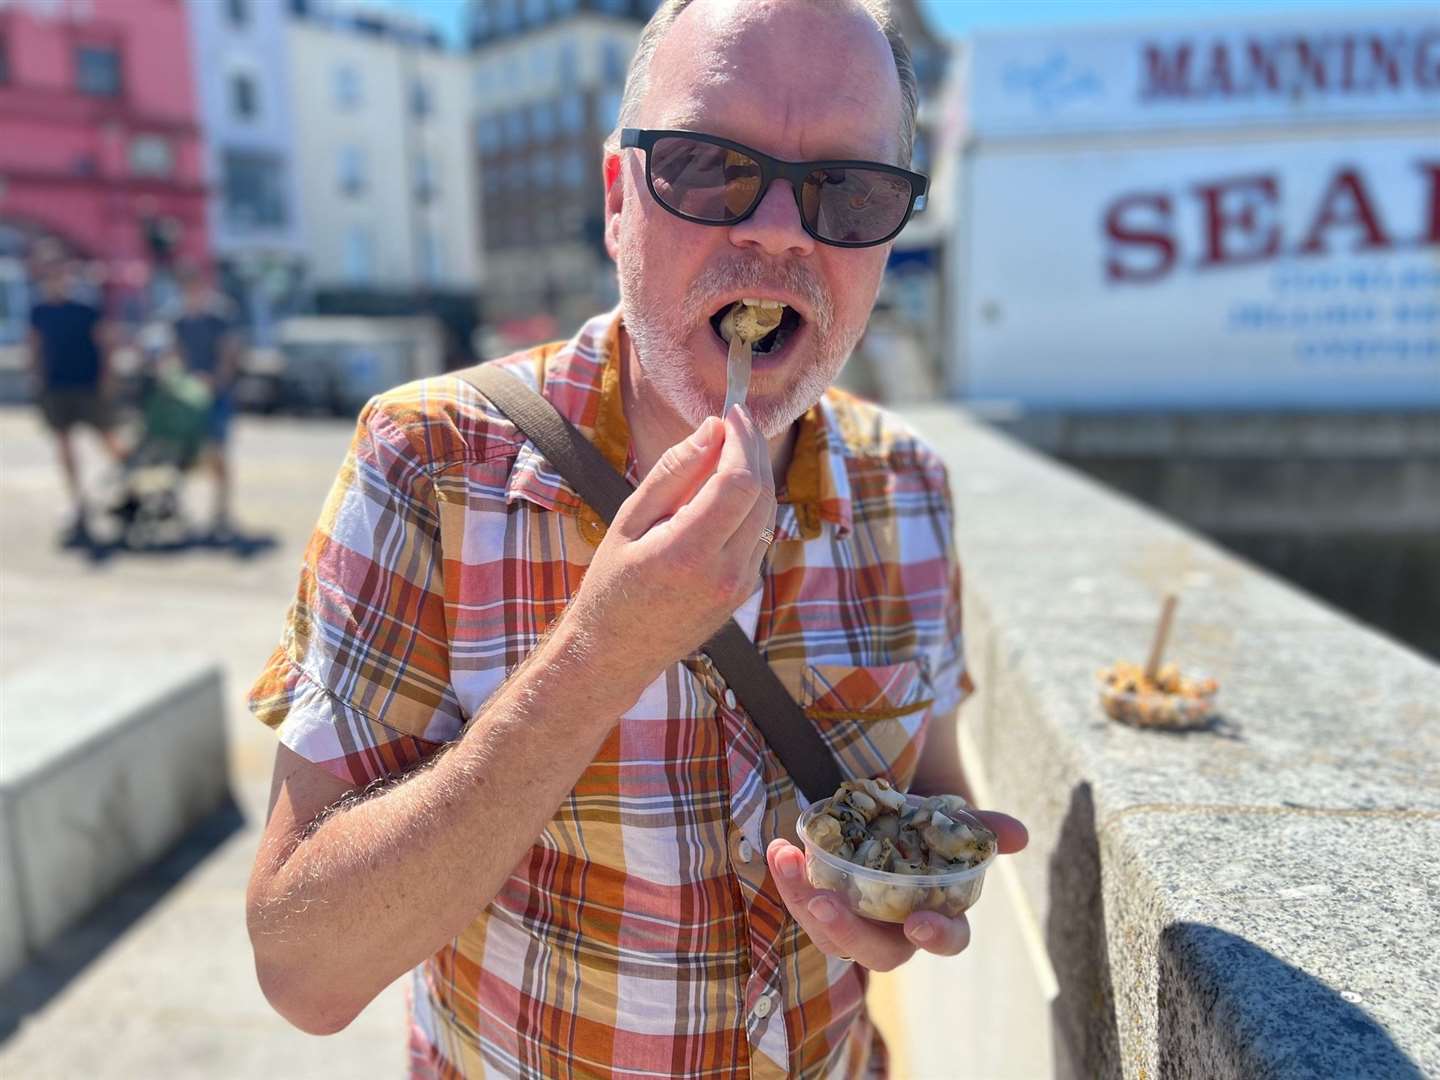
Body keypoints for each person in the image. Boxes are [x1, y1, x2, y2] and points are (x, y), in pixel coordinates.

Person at [245, 1, 1028, 1075]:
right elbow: (303, 972)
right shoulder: (428, 462)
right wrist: (603, 650)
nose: (783, 231)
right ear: (621, 200)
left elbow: (925, 775)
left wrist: (907, 882)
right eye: (710, 167)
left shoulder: (908, 489)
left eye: (848, 190)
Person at [27, 252, 126, 545]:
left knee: (108, 438)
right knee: (64, 444)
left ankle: (129, 485)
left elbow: (106, 342)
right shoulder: (39, 310)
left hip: (88, 384)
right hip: (57, 385)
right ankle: (78, 501)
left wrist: (109, 377)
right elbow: (35, 345)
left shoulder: (86, 308)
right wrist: (36, 378)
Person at [171, 265, 243, 539]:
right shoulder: (178, 318)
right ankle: (183, 510)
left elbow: (228, 352)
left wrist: (215, 381)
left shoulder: (219, 315)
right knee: (184, 454)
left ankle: (221, 511)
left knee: (218, 452)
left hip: (215, 394)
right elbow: (177, 353)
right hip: (189, 396)